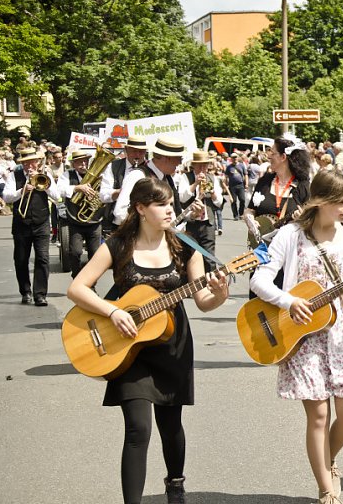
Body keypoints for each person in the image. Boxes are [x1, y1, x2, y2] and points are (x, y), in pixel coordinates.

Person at [66, 177, 229, 504]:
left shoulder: (184, 245)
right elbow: (77, 288)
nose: (170, 210)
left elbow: (202, 300)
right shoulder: (118, 244)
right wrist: (112, 313)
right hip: (128, 345)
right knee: (138, 429)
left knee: (171, 425)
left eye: (171, 204)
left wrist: (221, 293)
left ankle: (175, 483)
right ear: (140, 208)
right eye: (161, 205)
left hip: (172, 344)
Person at [250, 171, 343, 504]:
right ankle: (326, 489)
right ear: (320, 201)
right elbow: (260, 280)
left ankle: (328, 458)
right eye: (340, 202)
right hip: (303, 336)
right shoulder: (290, 235)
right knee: (319, 416)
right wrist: (289, 301)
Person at [2, 148, 60, 305]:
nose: (29, 166)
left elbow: (57, 196)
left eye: (32, 162)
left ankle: (40, 294)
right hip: (21, 223)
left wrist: (45, 185)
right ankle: (25, 292)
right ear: (22, 164)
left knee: (43, 258)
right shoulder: (15, 175)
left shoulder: (45, 176)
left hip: (41, 223)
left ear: (37, 162)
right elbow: (6, 196)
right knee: (21, 260)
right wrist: (22, 191)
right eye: (26, 163)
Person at [113, 136, 184, 227]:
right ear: (167, 158)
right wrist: (152, 226)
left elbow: (173, 215)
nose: (180, 163)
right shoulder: (138, 176)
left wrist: (191, 214)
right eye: (179, 158)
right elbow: (120, 213)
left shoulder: (167, 178)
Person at [57, 151, 103, 278]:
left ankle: (91, 283)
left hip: (94, 221)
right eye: (79, 162)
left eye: (85, 161)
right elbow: (59, 190)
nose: (83, 164)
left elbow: (104, 193)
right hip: (75, 221)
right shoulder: (67, 174)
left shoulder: (98, 175)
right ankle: (77, 276)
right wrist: (77, 188)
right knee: (75, 252)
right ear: (74, 164)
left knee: (95, 255)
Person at [178, 151, 223, 272]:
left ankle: (210, 284)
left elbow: (219, 202)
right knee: (189, 255)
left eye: (205, 165)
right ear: (194, 165)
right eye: (199, 165)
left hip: (207, 223)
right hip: (190, 223)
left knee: (209, 257)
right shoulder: (185, 177)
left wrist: (212, 192)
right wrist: (196, 183)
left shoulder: (213, 178)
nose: (202, 168)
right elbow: (182, 197)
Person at [100, 135, 148, 237]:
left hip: (143, 223)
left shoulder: (149, 168)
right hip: (117, 223)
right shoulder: (113, 166)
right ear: (126, 150)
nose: (138, 155)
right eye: (134, 151)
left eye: (141, 152)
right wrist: (119, 192)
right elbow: (103, 195)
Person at [224, 155, 248, 220]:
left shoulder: (241, 165)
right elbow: (226, 176)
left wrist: (246, 183)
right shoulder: (229, 167)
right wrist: (225, 185)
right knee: (233, 201)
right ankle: (235, 215)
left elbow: (245, 174)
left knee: (242, 200)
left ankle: (241, 213)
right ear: (231, 159)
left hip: (240, 185)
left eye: (236, 157)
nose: (235, 159)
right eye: (233, 158)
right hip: (232, 186)